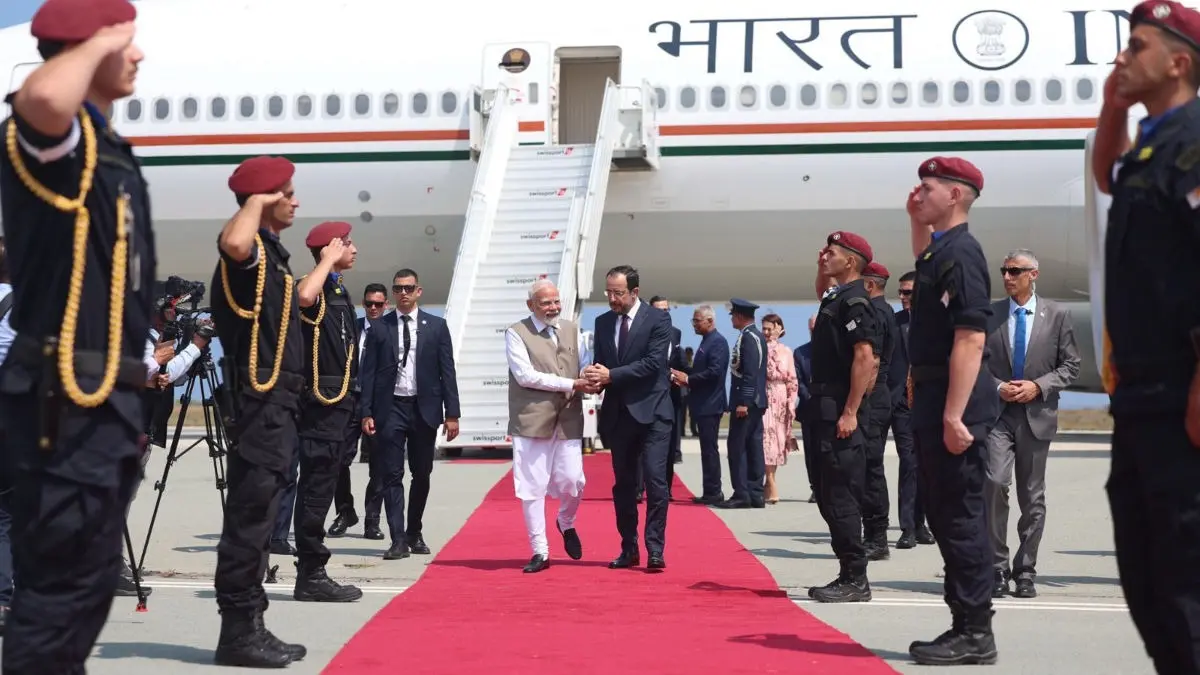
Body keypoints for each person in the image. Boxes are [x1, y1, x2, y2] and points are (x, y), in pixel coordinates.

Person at [0, 1, 158, 671]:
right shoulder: (53, 139)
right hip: (67, 398)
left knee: (85, 583)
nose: (138, 54)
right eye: (126, 42)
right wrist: (95, 43)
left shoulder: (102, 144)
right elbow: (39, 98)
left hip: (102, 398)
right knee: (60, 586)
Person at [1091, 2, 1200, 671]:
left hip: (1180, 396)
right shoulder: (1152, 146)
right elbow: (1108, 172)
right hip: (1140, 400)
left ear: (1178, 62)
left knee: (1187, 588)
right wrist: (1114, 106)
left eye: (1135, 47)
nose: (1121, 58)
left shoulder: (1195, 142)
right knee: (1148, 580)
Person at [210, 155, 307, 667]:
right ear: (263, 200)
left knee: (263, 515)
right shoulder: (247, 255)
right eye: (286, 193)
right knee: (249, 519)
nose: (295, 201)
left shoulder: (273, 257)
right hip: (259, 406)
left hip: (278, 406)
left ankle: (253, 625)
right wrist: (254, 202)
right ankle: (237, 633)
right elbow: (233, 243)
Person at [904, 156, 999, 665]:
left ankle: (975, 632)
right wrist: (914, 218)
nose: (918, 194)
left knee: (960, 517)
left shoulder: (962, 254)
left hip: (952, 399)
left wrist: (953, 415)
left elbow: (970, 337)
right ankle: (963, 625)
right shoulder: (939, 252)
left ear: (956, 195)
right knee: (942, 513)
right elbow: (922, 258)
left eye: (927, 188)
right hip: (934, 395)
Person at [984, 249, 1080, 599]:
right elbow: (974, 363)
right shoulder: (990, 314)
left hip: (1037, 415)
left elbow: (1071, 365)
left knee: (1032, 496)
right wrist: (998, 386)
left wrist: (1038, 386)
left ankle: (1025, 570)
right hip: (998, 415)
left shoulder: (1057, 315)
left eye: (1015, 271)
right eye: (1004, 270)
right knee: (994, 483)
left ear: (1033, 274)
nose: (1007, 277)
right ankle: (997, 567)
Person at [359, 269, 461, 560]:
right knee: (392, 474)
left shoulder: (436, 327)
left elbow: (447, 371)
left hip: (424, 408)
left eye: (408, 288)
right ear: (393, 293)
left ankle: (414, 530)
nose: (403, 293)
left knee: (422, 473)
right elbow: (368, 373)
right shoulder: (380, 327)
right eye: (398, 288)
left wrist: (452, 413)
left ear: (418, 291)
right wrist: (366, 411)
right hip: (390, 408)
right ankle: (398, 539)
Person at [806, 233, 882, 604]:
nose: (825, 256)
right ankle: (847, 573)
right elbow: (822, 287)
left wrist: (850, 411)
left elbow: (865, 358)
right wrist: (822, 263)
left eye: (831, 252)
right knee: (825, 493)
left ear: (850, 261)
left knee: (840, 495)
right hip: (822, 408)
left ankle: (856, 578)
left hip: (839, 408)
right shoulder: (836, 296)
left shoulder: (855, 301)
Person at [291, 220, 364, 602]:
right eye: (347, 243)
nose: (354, 249)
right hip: (321, 406)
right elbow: (303, 297)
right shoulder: (314, 285)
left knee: (323, 485)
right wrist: (325, 261)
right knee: (316, 489)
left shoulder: (336, 289)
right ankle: (311, 574)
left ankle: (312, 572)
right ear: (329, 249)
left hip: (338, 405)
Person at [586, 265, 673, 571]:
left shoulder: (658, 319)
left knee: (656, 482)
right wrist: (593, 376)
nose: (612, 298)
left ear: (634, 292)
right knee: (623, 486)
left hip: (653, 413)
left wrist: (611, 375)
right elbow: (602, 363)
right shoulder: (603, 322)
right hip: (620, 414)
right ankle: (628, 547)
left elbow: (653, 363)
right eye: (608, 292)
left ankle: (655, 548)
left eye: (618, 293)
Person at [505, 279, 594, 573]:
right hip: (532, 419)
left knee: (573, 480)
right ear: (531, 305)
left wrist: (590, 375)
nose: (553, 307)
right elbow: (525, 376)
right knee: (532, 486)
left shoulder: (572, 329)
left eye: (556, 301)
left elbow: (583, 363)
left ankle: (566, 521)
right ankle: (540, 551)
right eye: (545, 303)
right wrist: (572, 384)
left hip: (568, 417)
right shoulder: (516, 333)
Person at [328, 283, 389, 539]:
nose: (373, 308)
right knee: (338, 460)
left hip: (379, 404)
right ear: (363, 304)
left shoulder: (391, 331)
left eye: (378, 304)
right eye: (369, 304)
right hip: (350, 400)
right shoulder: (352, 328)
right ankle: (345, 511)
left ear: (386, 305)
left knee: (379, 464)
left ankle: (372, 520)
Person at [671, 305, 729, 504]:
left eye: (697, 321)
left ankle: (714, 492)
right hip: (703, 403)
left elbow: (714, 372)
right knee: (706, 450)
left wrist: (688, 379)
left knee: (710, 450)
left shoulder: (717, 342)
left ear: (710, 321)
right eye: (693, 321)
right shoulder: (707, 341)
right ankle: (709, 490)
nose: (694, 324)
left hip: (711, 404)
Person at [861, 262, 898, 561]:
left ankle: (877, 538)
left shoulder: (874, 313)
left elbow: (872, 363)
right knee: (867, 468)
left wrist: (857, 401)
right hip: (878, 396)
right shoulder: (886, 312)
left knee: (870, 468)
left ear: (870, 285)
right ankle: (873, 534)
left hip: (872, 398)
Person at [716, 299, 767, 509]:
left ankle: (742, 493)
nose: (731, 320)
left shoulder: (749, 337)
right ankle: (755, 493)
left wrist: (744, 401)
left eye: (733, 316)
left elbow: (750, 372)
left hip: (747, 402)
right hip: (756, 401)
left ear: (739, 316)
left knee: (738, 447)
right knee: (753, 446)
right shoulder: (753, 335)